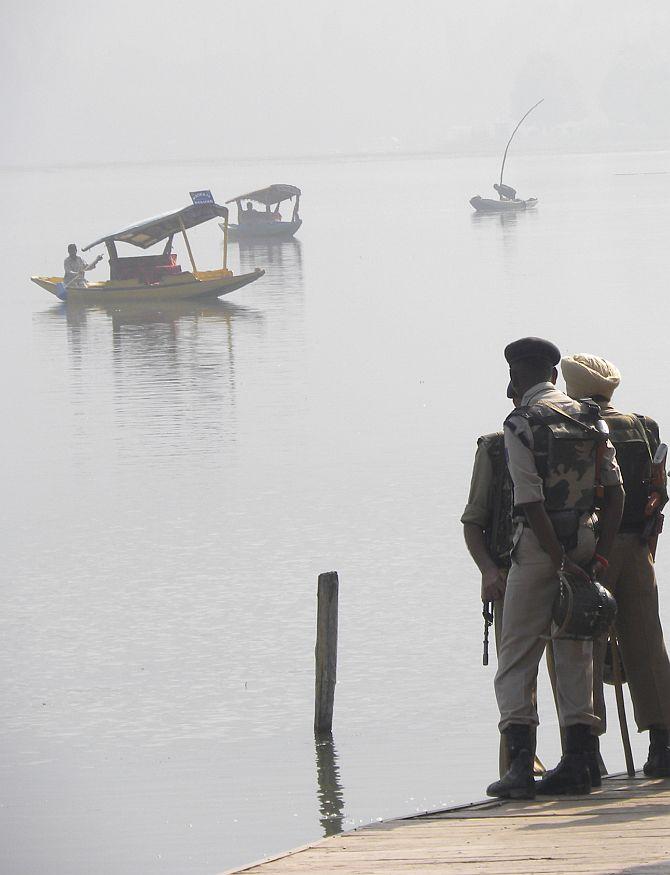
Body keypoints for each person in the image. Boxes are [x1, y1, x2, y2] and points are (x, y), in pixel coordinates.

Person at [486, 337, 624, 800]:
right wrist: (596, 556)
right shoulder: (591, 418)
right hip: (585, 542)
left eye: (511, 378)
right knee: (576, 653)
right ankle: (580, 763)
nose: (509, 388)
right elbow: (616, 493)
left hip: (538, 550)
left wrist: (556, 559)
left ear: (520, 375)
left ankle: (521, 768)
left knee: (517, 654)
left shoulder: (521, 422)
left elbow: (529, 499)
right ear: (552, 374)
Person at [562, 353, 670, 777]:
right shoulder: (642, 425)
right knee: (646, 642)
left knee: (579, 644)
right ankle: (663, 744)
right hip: (638, 549)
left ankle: (585, 751)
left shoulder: (572, 426)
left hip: (590, 550)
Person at [462, 382, 558, 779]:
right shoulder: (494, 447)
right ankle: (518, 764)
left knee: (571, 667)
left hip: (560, 574)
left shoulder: (569, 437)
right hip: (509, 573)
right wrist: (489, 571)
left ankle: (580, 756)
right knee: (518, 672)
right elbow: (473, 523)